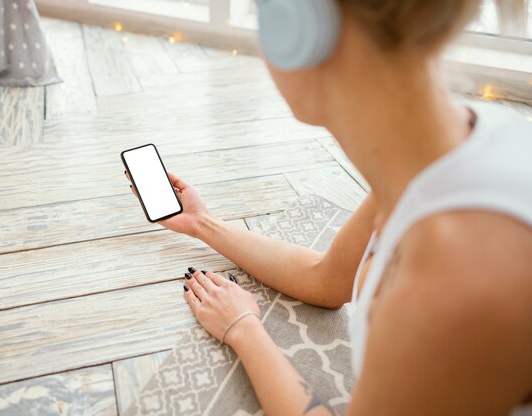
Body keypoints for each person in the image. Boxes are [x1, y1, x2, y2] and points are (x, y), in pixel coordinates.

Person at [126, 0, 532, 414]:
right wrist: (203, 223)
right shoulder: (461, 140)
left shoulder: (448, 285)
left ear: (296, 28)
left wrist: (244, 330)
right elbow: (326, 280)